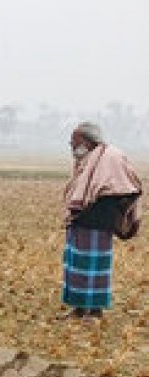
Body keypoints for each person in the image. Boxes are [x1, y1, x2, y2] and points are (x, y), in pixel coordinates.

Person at [61, 122, 143, 319]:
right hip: (81, 218)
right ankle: (79, 308)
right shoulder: (85, 160)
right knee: (76, 264)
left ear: (88, 141)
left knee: (95, 266)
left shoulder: (111, 157)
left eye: (75, 140)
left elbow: (127, 186)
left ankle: (95, 310)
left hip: (99, 220)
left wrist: (106, 207)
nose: (71, 144)